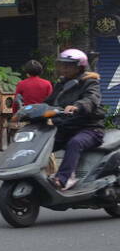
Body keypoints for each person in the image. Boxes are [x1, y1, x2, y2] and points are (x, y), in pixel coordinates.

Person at [44, 49, 105, 190]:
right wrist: (32, 110)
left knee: (75, 143)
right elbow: (49, 102)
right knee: (44, 143)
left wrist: (77, 106)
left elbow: (92, 99)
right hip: (66, 127)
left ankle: (63, 178)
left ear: (80, 66)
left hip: (90, 128)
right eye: (62, 65)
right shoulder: (61, 84)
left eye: (68, 65)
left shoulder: (90, 82)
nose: (63, 69)